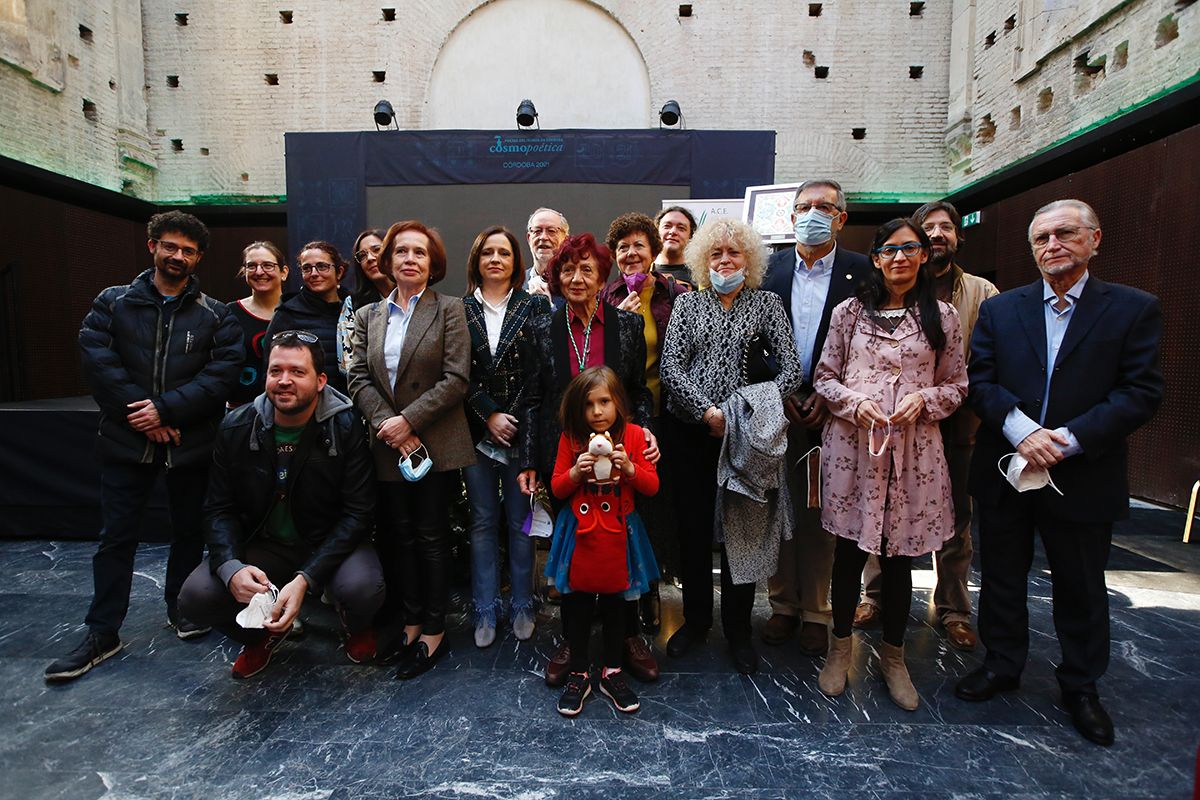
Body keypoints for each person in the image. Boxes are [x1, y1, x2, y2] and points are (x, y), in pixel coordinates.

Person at [954, 199, 1163, 747]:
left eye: (1065, 233)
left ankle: (1081, 686)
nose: (1053, 246)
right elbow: (981, 380)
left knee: (1081, 585)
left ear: (1095, 239)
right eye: (1042, 238)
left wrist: (1066, 441)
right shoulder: (1003, 310)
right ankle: (1002, 665)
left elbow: (1140, 393)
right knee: (1000, 576)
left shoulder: (1132, 309)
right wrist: (1023, 430)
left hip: (1083, 472)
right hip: (1007, 466)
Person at [45, 211, 242, 683]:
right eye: (170, 246)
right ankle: (102, 631)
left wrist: (168, 411)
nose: (177, 256)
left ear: (199, 259)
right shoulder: (112, 303)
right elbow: (97, 360)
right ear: (152, 245)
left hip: (189, 444)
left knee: (190, 532)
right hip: (126, 442)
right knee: (116, 539)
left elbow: (221, 375)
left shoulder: (217, 315)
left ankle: (181, 607)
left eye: (188, 251)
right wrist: (146, 415)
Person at [813, 218, 967, 710]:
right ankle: (839, 651)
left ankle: (894, 657)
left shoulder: (941, 316)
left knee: (900, 558)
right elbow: (824, 376)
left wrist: (924, 399)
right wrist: (853, 402)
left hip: (913, 452)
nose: (900, 257)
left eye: (910, 248)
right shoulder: (848, 313)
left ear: (923, 256)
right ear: (876, 258)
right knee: (848, 554)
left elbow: (957, 385)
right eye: (889, 250)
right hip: (854, 450)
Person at [176, 331, 384, 677]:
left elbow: (359, 512)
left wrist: (306, 579)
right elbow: (218, 508)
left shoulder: (346, 425)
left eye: (297, 372)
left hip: (327, 540)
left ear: (320, 381)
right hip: (265, 544)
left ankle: (356, 625)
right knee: (195, 598)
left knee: (363, 589)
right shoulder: (236, 426)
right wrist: (231, 568)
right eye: (276, 371)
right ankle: (260, 636)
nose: (284, 381)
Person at [516, 232, 660, 687]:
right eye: (567, 269)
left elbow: (638, 392)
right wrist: (528, 462)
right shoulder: (541, 329)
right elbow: (531, 398)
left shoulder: (627, 327)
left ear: (602, 276)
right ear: (555, 277)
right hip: (564, 459)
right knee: (571, 549)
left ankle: (630, 635)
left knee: (624, 546)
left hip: (621, 457)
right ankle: (572, 640)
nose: (576, 278)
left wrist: (648, 432)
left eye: (586, 269)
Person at [659, 218, 802, 675]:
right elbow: (671, 369)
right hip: (692, 434)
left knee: (743, 535)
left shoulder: (768, 305)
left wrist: (746, 412)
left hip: (749, 442)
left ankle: (740, 630)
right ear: (703, 260)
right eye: (716, 254)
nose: (725, 261)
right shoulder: (688, 306)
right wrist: (708, 412)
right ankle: (697, 621)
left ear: (750, 260)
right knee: (695, 532)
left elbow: (792, 371)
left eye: (734, 253)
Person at [854, 202, 998, 650]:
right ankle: (873, 597)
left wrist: (935, 398)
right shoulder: (868, 304)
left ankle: (954, 607)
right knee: (880, 508)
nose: (937, 235)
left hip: (956, 422)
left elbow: (978, 362)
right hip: (885, 427)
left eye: (945, 228)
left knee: (955, 514)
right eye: (928, 229)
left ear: (957, 236)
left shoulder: (977, 292)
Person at [347, 219, 474, 680]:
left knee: (431, 536)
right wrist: (389, 425)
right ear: (388, 260)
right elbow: (357, 377)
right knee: (397, 536)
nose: (410, 260)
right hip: (386, 445)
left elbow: (457, 378)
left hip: (433, 443)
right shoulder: (368, 316)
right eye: (401, 252)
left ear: (432, 263)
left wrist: (409, 422)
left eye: (419, 253)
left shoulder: (450, 309)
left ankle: (435, 630)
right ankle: (411, 620)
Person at [761, 178, 872, 657]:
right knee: (778, 506)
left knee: (822, 513)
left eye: (823, 207)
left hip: (837, 411)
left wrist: (829, 395)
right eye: (803, 207)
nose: (812, 214)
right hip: (778, 408)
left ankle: (815, 611)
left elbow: (869, 346)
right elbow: (756, 340)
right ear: (790, 218)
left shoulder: (864, 272)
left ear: (840, 218)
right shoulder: (768, 270)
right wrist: (780, 391)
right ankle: (782, 605)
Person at [546, 366, 660, 716]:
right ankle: (579, 672)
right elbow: (556, 487)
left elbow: (652, 486)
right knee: (576, 602)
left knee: (617, 604)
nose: (597, 412)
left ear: (619, 403)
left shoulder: (637, 437)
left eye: (605, 402)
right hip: (579, 532)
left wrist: (630, 469)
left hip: (620, 532)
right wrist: (575, 473)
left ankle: (612, 671)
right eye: (589, 404)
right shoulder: (571, 438)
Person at [462, 225, 551, 648]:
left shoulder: (534, 305)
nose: (495, 259)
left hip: (521, 431)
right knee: (481, 522)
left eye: (504, 253)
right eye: (487, 252)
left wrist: (509, 417)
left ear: (516, 262)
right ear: (476, 261)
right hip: (474, 432)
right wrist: (489, 414)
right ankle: (483, 607)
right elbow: (455, 373)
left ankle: (521, 603)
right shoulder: (458, 309)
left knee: (520, 523)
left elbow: (539, 371)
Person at [599, 211, 687, 633]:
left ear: (653, 251)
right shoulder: (606, 297)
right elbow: (599, 364)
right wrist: (621, 322)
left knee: (658, 505)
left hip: (668, 415)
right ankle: (620, 588)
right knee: (623, 505)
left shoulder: (679, 294)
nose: (630, 254)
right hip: (623, 419)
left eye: (638, 246)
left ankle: (651, 589)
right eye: (622, 248)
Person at [268, 241, 350, 394]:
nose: (314, 273)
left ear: (339, 272)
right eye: (307, 268)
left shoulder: (354, 310)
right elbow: (270, 367)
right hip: (304, 404)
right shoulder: (288, 312)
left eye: (322, 266)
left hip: (352, 405)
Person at [228, 241, 288, 409]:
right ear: (244, 272)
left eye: (268, 265)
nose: (259, 272)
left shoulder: (296, 311)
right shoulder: (229, 313)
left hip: (289, 411)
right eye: (251, 266)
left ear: (284, 272)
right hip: (239, 411)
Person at [336, 228, 391, 377]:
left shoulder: (414, 297)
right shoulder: (353, 304)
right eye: (362, 255)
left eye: (376, 250)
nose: (370, 258)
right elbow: (348, 365)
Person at [523, 207, 569, 305]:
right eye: (537, 231)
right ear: (529, 238)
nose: (543, 237)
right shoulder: (515, 283)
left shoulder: (575, 284)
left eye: (551, 231)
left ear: (565, 240)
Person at [653, 205, 698, 287]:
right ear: (656, 232)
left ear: (690, 237)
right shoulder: (643, 271)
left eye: (681, 228)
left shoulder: (700, 277)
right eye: (667, 226)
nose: (673, 232)